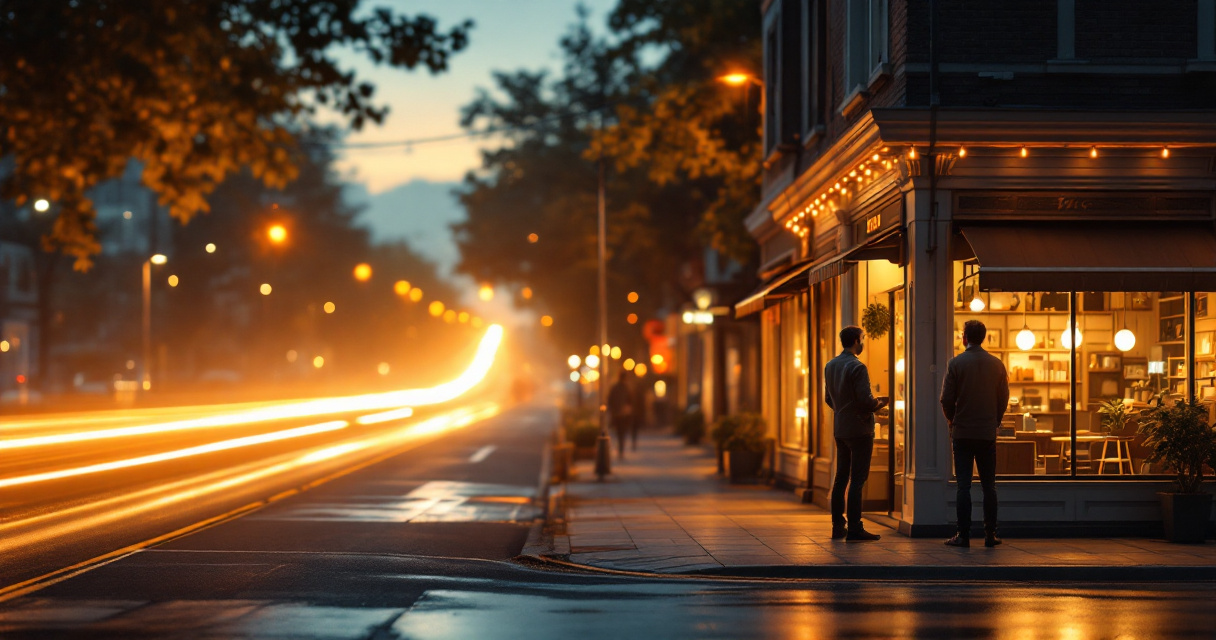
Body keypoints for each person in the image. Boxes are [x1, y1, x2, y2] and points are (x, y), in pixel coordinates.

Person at [940, 319, 1010, 548]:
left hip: (962, 432)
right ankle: (990, 534)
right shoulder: (997, 364)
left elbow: (946, 399)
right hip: (987, 432)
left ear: (964, 337)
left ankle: (963, 534)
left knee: (964, 486)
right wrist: (995, 420)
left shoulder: (956, 363)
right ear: (984, 337)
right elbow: (1003, 398)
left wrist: (953, 421)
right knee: (989, 486)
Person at [824, 325, 888, 541]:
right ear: (856, 341)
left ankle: (837, 526)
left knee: (841, 477)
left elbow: (828, 398)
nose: (863, 343)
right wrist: (879, 403)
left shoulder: (830, 365)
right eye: (862, 339)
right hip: (860, 429)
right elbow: (865, 400)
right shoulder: (857, 367)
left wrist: (843, 411)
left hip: (841, 427)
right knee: (858, 479)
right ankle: (855, 528)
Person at [608, 370, 637, 457]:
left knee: (619, 432)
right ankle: (621, 449)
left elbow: (610, 400)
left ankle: (620, 449)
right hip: (624, 414)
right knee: (622, 433)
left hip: (617, 414)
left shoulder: (615, 388)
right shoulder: (627, 388)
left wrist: (612, 410)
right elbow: (631, 401)